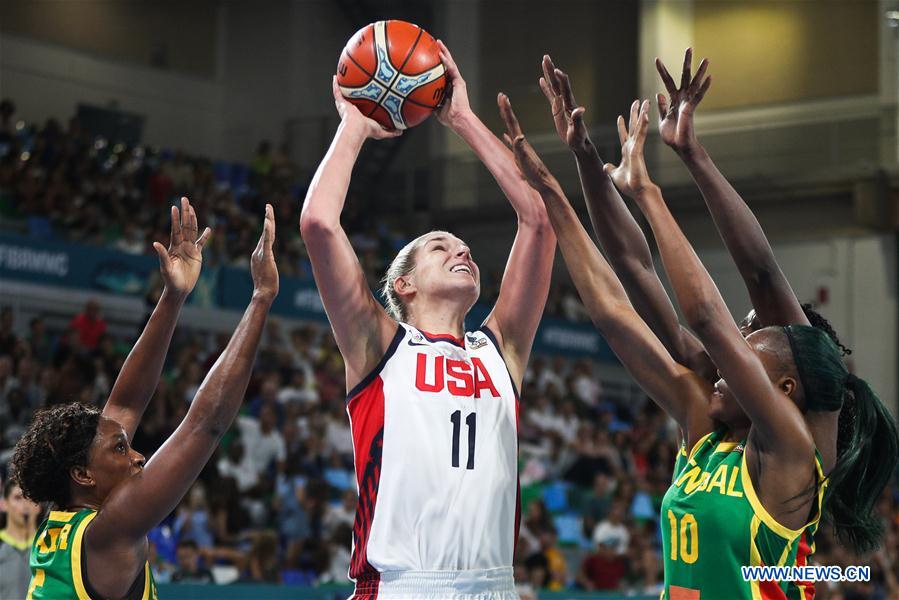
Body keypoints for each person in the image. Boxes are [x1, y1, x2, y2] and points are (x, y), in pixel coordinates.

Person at [498, 92, 898, 598]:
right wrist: (562, 183)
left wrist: (648, 190)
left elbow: (718, 309)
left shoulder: (794, 448)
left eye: (746, 346)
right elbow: (619, 302)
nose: (727, 357)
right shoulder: (703, 426)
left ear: (783, 386)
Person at [300, 40, 554, 599]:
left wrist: (461, 116)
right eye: (441, 247)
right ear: (402, 284)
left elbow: (538, 219)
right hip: (402, 586)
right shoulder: (378, 347)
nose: (461, 252)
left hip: (496, 586)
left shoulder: (500, 348)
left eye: (465, 248)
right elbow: (320, 223)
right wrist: (354, 124)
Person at [11, 200, 279, 599]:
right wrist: (260, 298)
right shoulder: (110, 533)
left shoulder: (67, 521)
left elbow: (127, 405)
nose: (138, 457)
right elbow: (205, 425)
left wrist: (173, 296)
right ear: (83, 475)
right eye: (120, 449)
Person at [0, 478, 42, 599]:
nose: (25, 504)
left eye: (30, 498)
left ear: (39, 506)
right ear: (4, 504)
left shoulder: (51, 546)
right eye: (18, 498)